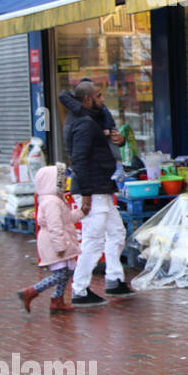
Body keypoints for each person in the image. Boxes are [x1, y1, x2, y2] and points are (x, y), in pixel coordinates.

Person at [59, 81, 134, 307]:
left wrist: (118, 141)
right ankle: (80, 290)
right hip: (93, 190)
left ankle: (114, 279)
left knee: (116, 232)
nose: (103, 100)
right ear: (87, 99)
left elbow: (102, 146)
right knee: (93, 240)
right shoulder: (82, 123)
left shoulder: (91, 119)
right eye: (99, 96)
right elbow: (79, 160)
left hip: (102, 188)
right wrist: (87, 195)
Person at [18, 163, 85, 314]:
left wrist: (82, 212)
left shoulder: (55, 199)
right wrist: (60, 246)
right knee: (61, 273)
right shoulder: (51, 202)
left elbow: (66, 219)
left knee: (66, 271)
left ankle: (58, 300)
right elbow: (55, 226)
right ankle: (30, 292)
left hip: (60, 240)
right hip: (55, 242)